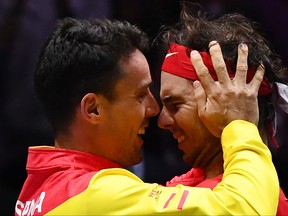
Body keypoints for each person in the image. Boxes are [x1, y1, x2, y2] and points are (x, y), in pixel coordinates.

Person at [15, 17, 279, 215]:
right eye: (141, 95)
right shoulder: (94, 195)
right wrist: (240, 124)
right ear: (93, 109)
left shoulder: (44, 191)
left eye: (174, 103)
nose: (155, 114)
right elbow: (243, 209)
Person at [155, 3, 288, 215]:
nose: (162, 121)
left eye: (175, 105)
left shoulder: (248, 201)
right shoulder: (186, 188)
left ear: (225, 101)